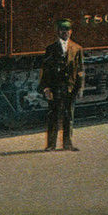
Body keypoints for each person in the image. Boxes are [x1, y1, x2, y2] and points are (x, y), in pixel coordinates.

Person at [38, 18, 85, 151]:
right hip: (55, 88)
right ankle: (51, 145)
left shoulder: (77, 49)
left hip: (70, 88)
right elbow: (45, 70)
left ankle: (67, 144)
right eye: (62, 30)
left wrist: (80, 87)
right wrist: (46, 88)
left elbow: (80, 70)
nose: (65, 33)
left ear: (71, 32)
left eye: (67, 30)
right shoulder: (51, 49)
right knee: (53, 117)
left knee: (68, 117)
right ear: (58, 32)